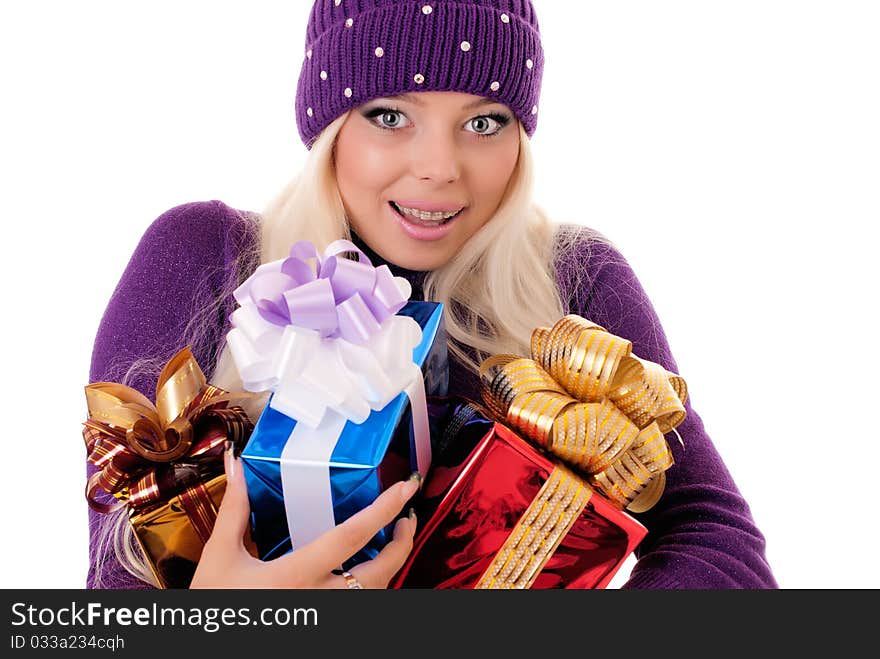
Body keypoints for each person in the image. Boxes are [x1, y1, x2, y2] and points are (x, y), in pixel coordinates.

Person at [86, 0, 778, 590]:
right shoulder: (205, 256)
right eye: (390, 115)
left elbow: (717, 538)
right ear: (330, 125)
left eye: (484, 123)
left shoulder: (574, 277)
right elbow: (111, 585)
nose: (441, 169)